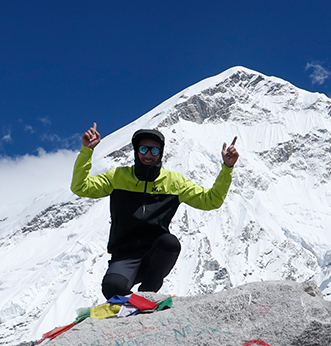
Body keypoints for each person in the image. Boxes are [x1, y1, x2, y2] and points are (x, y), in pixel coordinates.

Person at [71, 123, 239, 299]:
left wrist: (227, 169)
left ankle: (148, 294)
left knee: (170, 243)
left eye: (154, 151)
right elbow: (81, 187)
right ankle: (131, 300)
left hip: (155, 253)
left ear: (161, 153)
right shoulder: (117, 177)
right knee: (112, 288)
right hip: (124, 255)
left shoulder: (174, 182)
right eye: (143, 149)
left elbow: (211, 201)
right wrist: (86, 151)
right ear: (136, 151)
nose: (148, 155)